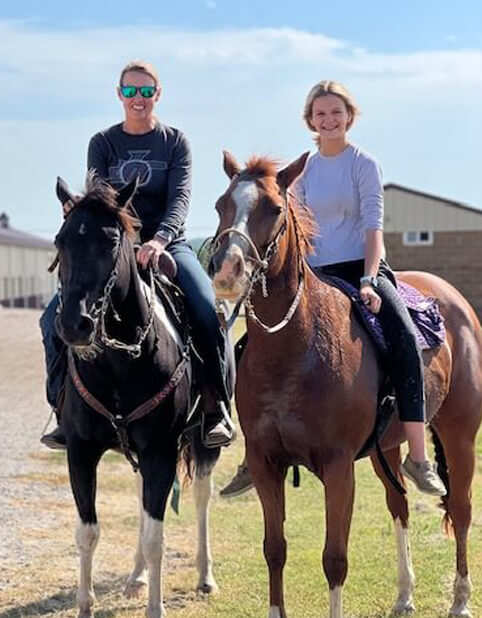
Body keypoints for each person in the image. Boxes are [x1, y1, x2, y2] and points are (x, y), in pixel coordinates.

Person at [221, 80, 446, 498]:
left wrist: (369, 277)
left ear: (349, 116)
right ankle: (253, 454)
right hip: (314, 272)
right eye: (320, 113)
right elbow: (297, 229)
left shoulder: (364, 164)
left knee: (402, 338)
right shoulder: (302, 169)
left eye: (335, 112)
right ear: (311, 119)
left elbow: (372, 227)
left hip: (362, 269)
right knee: (248, 347)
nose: (329, 120)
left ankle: (418, 457)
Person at [40, 59, 235, 450]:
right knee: (51, 319)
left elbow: (180, 198)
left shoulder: (175, 142)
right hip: (116, 249)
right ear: (119, 95)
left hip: (169, 244)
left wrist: (160, 240)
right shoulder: (103, 143)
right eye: (130, 91)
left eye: (146, 91)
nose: (138, 98)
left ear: (157, 95)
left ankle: (216, 407)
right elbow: (101, 200)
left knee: (206, 308)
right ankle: (63, 408)